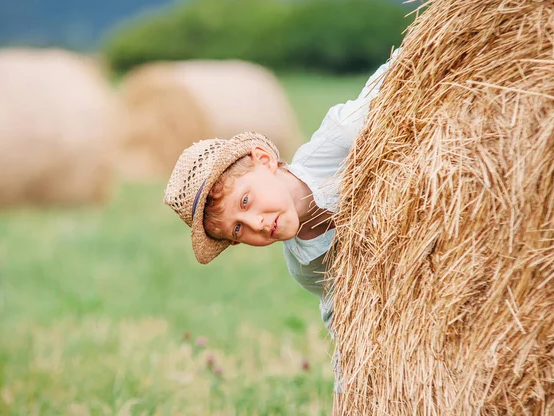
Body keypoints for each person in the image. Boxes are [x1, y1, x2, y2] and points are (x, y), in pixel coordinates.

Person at [164, 49, 398, 390]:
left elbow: (406, 76)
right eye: (238, 229)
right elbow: (352, 330)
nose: (256, 224)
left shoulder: (343, 138)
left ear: (264, 160)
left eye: (246, 201)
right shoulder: (305, 266)